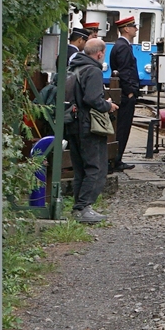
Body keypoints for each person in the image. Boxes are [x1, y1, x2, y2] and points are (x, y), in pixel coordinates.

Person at [66, 37, 117, 223]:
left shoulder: (74, 68)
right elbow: (92, 99)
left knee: (80, 168)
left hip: (72, 124)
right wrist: (107, 106)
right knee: (95, 167)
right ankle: (84, 207)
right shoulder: (93, 70)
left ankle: (78, 208)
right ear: (100, 53)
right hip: (88, 125)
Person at [108, 16, 142, 172]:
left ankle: (116, 158)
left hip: (124, 91)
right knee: (122, 127)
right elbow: (125, 71)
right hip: (125, 94)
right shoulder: (123, 46)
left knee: (122, 127)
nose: (136, 28)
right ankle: (117, 159)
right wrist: (130, 91)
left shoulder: (122, 45)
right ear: (127, 29)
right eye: (133, 26)